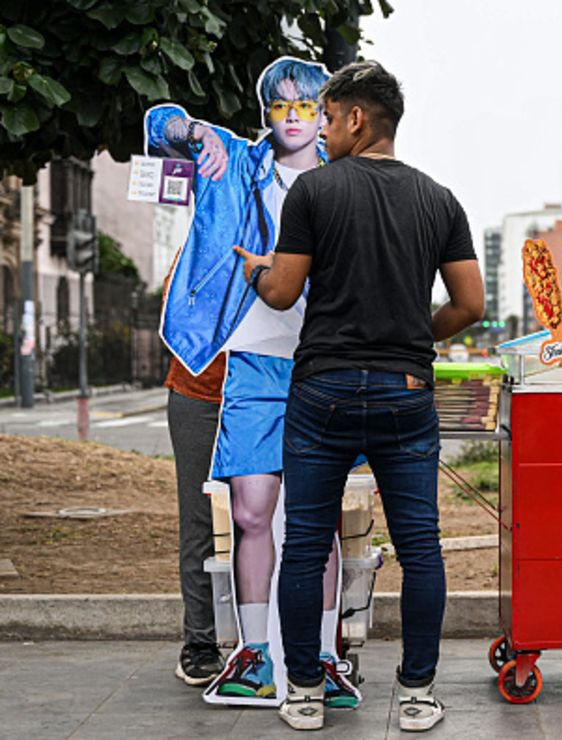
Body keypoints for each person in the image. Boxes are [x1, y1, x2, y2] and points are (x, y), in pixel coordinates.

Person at [235, 60, 483, 732]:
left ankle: (307, 694)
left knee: (309, 544)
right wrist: (413, 340)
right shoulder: (440, 200)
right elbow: (471, 303)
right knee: (421, 547)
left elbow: (284, 292)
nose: (318, 132)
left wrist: (257, 269)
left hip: (324, 393)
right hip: (406, 393)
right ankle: (417, 695)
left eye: (327, 117)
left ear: (355, 117)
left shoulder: (314, 192)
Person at [148, 57, 350, 706]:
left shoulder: (349, 178)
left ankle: (321, 657)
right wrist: (188, 130)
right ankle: (256, 653)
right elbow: (157, 126)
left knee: (313, 521)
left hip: (324, 362)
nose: (293, 117)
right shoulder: (236, 160)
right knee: (249, 512)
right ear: (267, 111)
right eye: (280, 104)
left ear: (325, 113)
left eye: (306, 105)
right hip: (253, 362)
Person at [164, 267, 227, 687]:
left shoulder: (288, 239)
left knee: (273, 519)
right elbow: (174, 314)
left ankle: (272, 638)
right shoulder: (196, 252)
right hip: (198, 394)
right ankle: (200, 641)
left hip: (267, 393)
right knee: (200, 521)